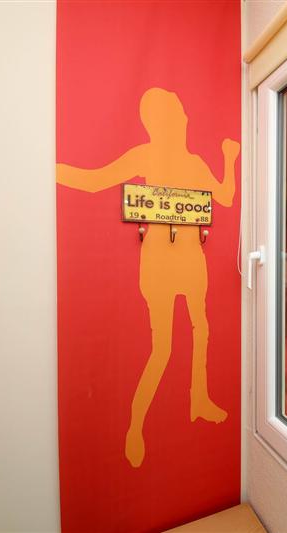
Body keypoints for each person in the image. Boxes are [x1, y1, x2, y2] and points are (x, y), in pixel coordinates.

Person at [56, 87, 240, 468]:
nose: (186, 119)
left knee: (201, 328)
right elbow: (95, 180)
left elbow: (223, 196)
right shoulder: (146, 155)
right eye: (179, 114)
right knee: (163, 349)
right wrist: (52, 169)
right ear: (164, 122)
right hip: (158, 262)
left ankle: (198, 399)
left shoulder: (193, 163)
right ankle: (135, 426)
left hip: (192, 259)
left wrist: (229, 159)